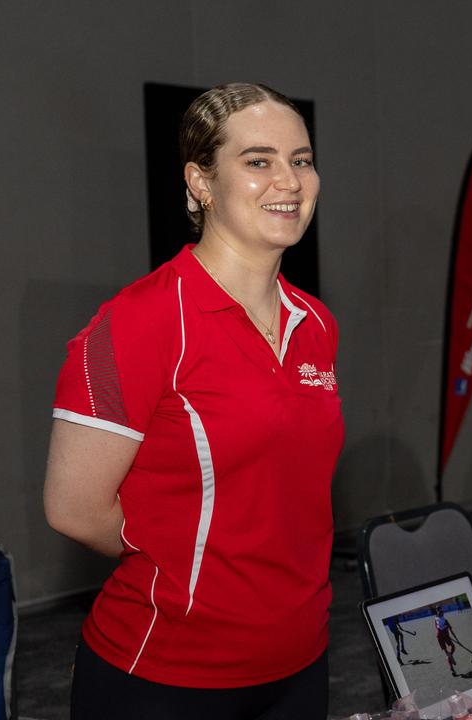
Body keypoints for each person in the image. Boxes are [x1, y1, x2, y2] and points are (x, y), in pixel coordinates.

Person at [44, 83, 342, 720]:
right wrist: (180, 565)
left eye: (302, 159)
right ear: (200, 182)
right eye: (258, 161)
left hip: (300, 663)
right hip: (168, 677)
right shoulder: (138, 323)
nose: (289, 180)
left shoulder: (314, 322)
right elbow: (74, 509)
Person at [433, 606, 459, 677]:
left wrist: (457, 639)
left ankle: (451, 664)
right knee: (451, 648)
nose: (442, 613)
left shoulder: (436, 619)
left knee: (448, 651)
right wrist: (456, 639)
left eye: (442, 611)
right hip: (442, 636)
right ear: (440, 612)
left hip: (440, 636)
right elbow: (443, 628)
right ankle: (451, 658)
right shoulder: (442, 620)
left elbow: (450, 630)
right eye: (441, 612)